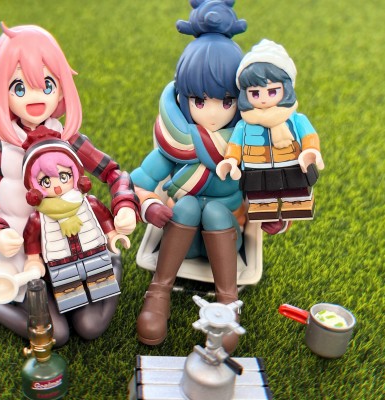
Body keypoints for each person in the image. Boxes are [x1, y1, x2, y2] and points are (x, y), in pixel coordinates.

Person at [0, 23, 139, 344]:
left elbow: (114, 173)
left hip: (75, 248)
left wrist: (124, 205)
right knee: (56, 334)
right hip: (24, 258)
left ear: (61, 88)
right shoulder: (1, 152)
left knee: (90, 326)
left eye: (47, 84)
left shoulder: (69, 140)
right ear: (1, 92)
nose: (35, 97)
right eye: (19, 87)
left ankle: (111, 263)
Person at [131, 0, 249, 353]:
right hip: (179, 241)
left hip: (224, 241)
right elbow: (139, 182)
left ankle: (227, 300)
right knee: (186, 207)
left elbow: (268, 187)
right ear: (184, 99)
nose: (212, 113)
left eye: (225, 101)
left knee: (213, 210)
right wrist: (149, 204)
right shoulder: (175, 143)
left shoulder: (246, 144)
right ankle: (159, 291)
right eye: (200, 100)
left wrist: (276, 214)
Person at [22, 131, 130, 317]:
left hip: (94, 252)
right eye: (46, 181)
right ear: (34, 186)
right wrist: (33, 260)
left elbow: (104, 218)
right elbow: (31, 240)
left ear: (75, 173)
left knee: (103, 289)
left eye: (63, 176)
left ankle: (107, 285)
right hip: (61, 263)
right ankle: (75, 310)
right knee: (73, 302)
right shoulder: (39, 218)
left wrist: (113, 235)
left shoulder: (88, 203)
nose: (56, 186)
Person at [217, 39, 324, 221]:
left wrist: (311, 151)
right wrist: (231, 161)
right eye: (255, 93)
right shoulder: (245, 124)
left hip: (292, 164)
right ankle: (264, 210)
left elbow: (309, 136)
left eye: (272, 91)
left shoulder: (295, 119)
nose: (264, 99)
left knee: (296, 194)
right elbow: (235, 145)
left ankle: (296, 205)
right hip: (257, 168)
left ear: (286, 89)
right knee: (261, 198)